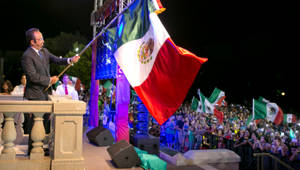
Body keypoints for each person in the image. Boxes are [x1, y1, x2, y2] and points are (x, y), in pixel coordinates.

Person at [21, 28, 80, 155]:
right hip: (35, 94)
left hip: (45, 93)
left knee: (44, 122)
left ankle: (39, 146)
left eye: (42, 37)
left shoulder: (44, 51)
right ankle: (33, 150)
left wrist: (70, 60)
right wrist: (49, 80)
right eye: (40, 39)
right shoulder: (27, 56)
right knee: (35, 122)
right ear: (32, 42)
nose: (43, 41)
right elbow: (32, 77)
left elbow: (57, 60)